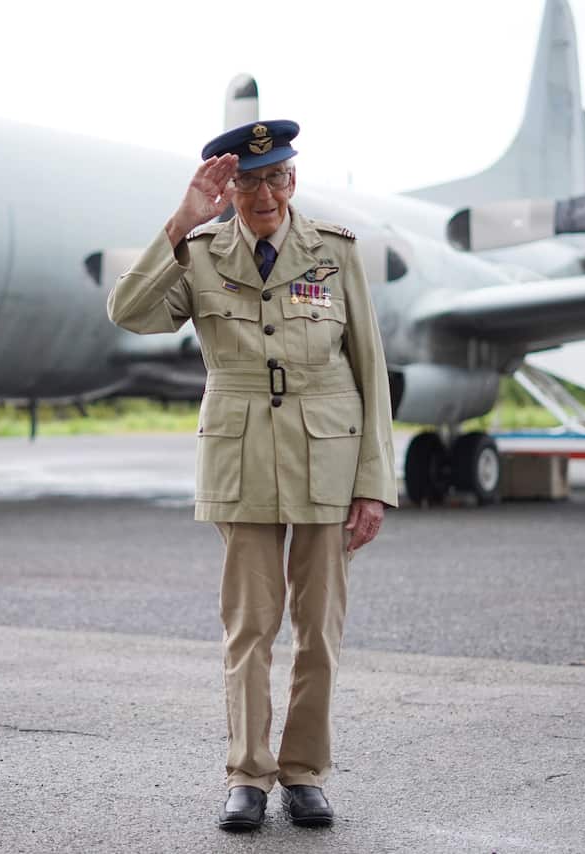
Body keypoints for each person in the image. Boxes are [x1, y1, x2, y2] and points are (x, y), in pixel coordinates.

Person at [106, 120, 397, 832]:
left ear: (293, 181)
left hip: (328, 455)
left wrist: (374, 483)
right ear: (228, 188)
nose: (263, 193)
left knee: (319, 633)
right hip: (241, 459)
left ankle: (304, 774)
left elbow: (369, 367)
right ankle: (247, 775)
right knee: (249, 630)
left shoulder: (334, 253)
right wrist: (180, 221)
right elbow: (130, 313)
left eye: (275, 178)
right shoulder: (200, 252)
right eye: (247, 180)